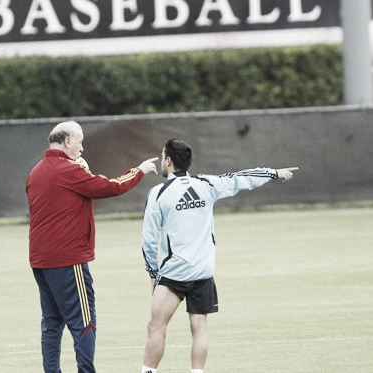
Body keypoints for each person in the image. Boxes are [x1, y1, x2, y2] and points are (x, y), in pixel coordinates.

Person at [139, 138, 298, 373]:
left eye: (163, 157)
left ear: (169, 161)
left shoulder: (158, 193)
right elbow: (240, 179)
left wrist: (153, 273)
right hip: (203, 271)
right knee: (199, 327)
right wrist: (274, 173)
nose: (162, 161)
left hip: (173, 273)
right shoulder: (207, 184)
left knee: (157, 326)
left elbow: (149, 240)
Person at [26, 120, 159, 373]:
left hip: (40, 260)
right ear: (67, 142)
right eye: (80, 141)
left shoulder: (36, 172)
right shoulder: (69, 171)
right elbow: (110, 187)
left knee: (52, 322)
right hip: (68, 259)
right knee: (84, 321)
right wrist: (139, 170)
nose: (82, 148)